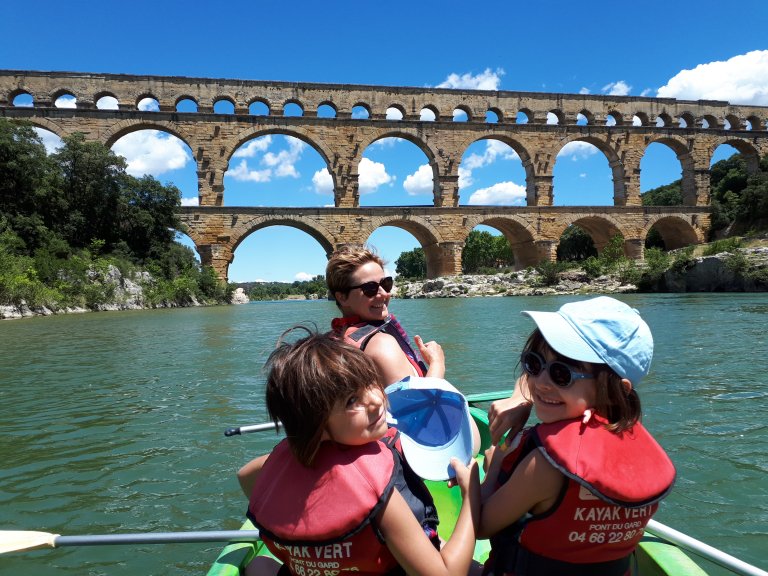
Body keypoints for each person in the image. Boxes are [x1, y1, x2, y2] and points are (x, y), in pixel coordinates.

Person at [241, 327, 481, 576]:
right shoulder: (374, 485)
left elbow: (245, 476)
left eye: (371, 382)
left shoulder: (279, 462)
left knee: (259, 565)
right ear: (315, 425)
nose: (376, 400)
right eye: (351, 401)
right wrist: (470, 496)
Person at [478, 296, 676, 576]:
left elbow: (480, 525)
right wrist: (522, 401)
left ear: (616, 388)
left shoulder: (545, 466)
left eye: (562, 373)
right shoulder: (639, 448)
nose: (541, 382)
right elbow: (532, 383)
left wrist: (496, 461)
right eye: (533, 363)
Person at [326, 245, 445, 386]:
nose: (384, 293)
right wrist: (437, 363)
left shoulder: (330, 343)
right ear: (342, 297)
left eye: (386, 283)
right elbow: (417, 405)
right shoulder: (381, 344)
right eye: (370, 288)